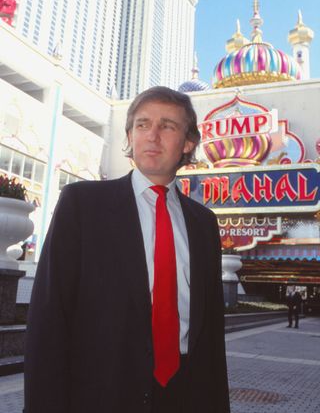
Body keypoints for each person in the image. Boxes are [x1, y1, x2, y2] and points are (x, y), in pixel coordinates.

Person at [24, 86, 230, 413]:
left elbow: (212, 334)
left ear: (188, 143)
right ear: (130, 136)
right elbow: (48, 318)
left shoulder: (204, 223)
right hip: (100, 395)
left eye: (167, 126)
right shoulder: (82, 205)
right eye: (142, 124)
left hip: (185, 395)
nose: (152, 136)